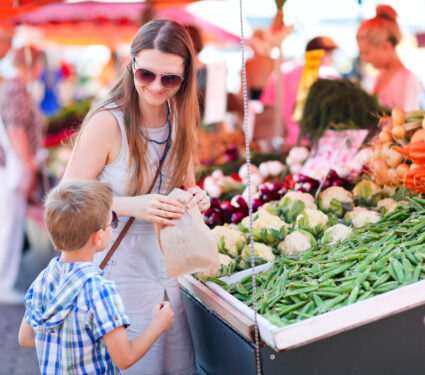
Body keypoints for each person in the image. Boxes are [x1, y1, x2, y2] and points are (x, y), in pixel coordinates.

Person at [62, 19, 209, 374]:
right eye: (146, 74)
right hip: (118, 269)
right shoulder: (107, 122)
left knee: (178, 367)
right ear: (131, 65)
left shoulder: (180, 117)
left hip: (171, 270)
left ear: (186, 77)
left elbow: (186, 184)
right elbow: (67, 195)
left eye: (170, 79)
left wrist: (197, 197)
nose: (157, 86)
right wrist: (133, 206)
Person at [18, 179, 174, 374]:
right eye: (112, 222)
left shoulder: (43, 279)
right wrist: (158, 325)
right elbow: (124, 358)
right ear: (98, 237)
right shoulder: (99, 290)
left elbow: (26, 338)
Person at [0, 46, 46, 303]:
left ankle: (4, 281)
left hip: (10, 165)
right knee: (9, 226)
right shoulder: (17, 89)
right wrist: (30, 167)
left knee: (9, 224)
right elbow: (17, 131)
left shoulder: (11, 87)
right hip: (14, 166)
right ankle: (3, 284)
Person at [258, 36, 340, 148]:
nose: (332, 60)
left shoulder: (282, 72)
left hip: (286, 142)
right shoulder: (329, 75)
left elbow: (266, 104)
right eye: (331, 56)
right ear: (323, 54)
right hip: (320, 144)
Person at [356, 5, 422, 111]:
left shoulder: (407, 80)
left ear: (386, 46)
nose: (363, 59)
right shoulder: (381, 75)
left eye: (366, 53)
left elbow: (404, 125)